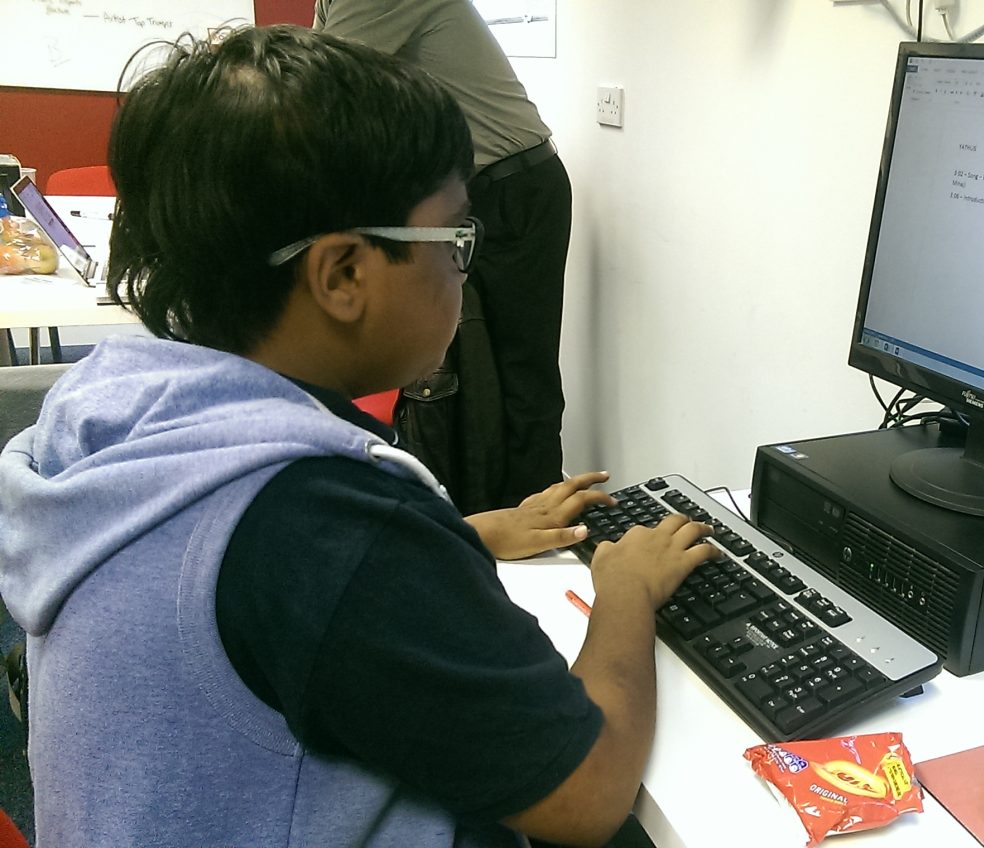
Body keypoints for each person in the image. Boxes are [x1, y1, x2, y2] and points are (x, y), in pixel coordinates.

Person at [0, 25, 713, 847]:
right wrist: (625, 588)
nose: (464, 266)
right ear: (342, 274)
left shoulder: (112, 404)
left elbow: (225, 576)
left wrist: (464, 536)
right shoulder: (332, 529)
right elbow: (584, 796)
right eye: (456, 237)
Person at [315, 0, 573, 511]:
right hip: (471, 187)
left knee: (523, 378)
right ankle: (490, 521)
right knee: (474, 375)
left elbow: (316, 91)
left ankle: (546, 529)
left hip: (512, 186)